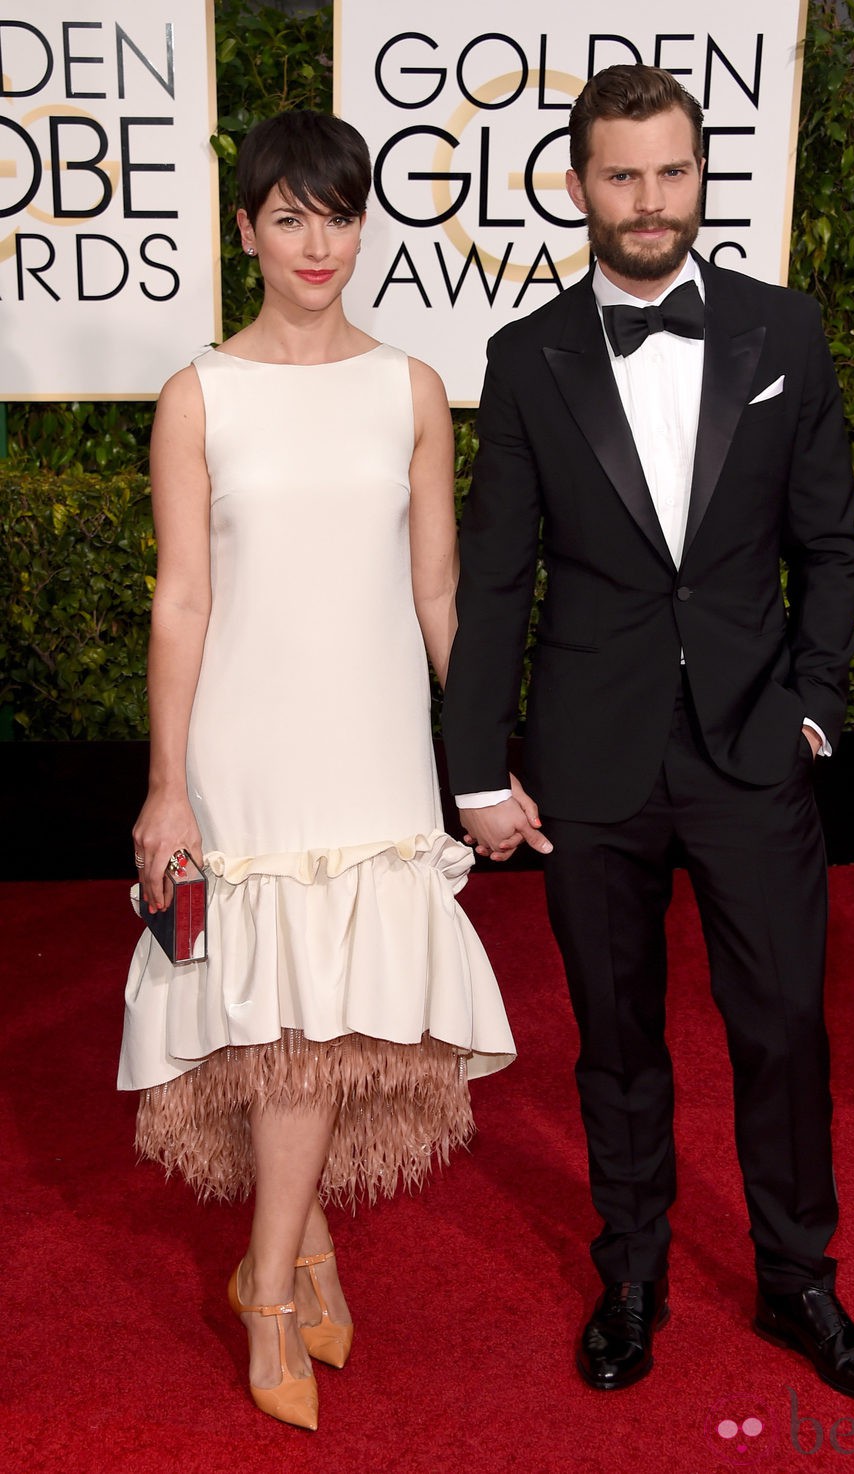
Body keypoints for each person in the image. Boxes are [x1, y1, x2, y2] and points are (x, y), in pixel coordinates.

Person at [441, 65, 854, 1406]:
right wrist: (477, 766)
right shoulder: (527, 356)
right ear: (580, 185)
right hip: (591, 761)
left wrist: (816, 705)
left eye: (671, 172)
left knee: (784, 1026)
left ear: (701, 178)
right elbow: (496, 577)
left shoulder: (786, 331)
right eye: (621, 175)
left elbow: (831, 542)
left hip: (755, 748)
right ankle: (633, 1272)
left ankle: (800, 1279)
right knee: (616, 1035)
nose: (649, 202)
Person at [118, 109, 517, 1431]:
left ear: (361, 226)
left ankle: (288, 1255)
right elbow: (182, 600)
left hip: (372, 734)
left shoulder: (407, 387)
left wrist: (485, 759)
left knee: (338, 1014)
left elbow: (439, 590)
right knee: (286, 1024)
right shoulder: (199, 395)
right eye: (287, 217)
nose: (316, 244)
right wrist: (167, 783)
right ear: (244, 231)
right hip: (248, 739)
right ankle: (275, 1288)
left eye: (336, 216)